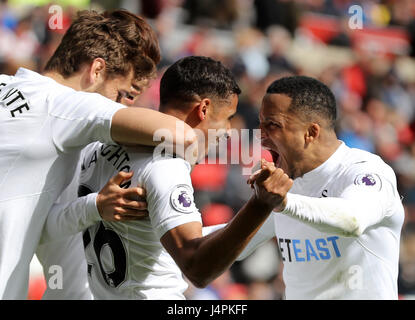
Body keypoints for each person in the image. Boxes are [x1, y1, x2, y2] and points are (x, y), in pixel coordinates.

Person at [40, 56, 293, 299]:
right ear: (204, 108)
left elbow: (158, 239)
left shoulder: (98, 147)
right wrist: (260, 204)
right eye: (227, 118)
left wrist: (276, 218)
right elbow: (197, 267)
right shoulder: (166, 167)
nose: (228, 132)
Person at [0, 9, 197, 300]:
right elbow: (182, 134)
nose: (124, 108)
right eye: (125, 95)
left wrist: (92, 207)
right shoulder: (65, 105)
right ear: (96, 70)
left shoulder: (5, 84)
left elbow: (44, 232)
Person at [238, 75, 405, 299]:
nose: (261, 136)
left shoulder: (365, 171)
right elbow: (232, 243)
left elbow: (352, 220)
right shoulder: (287, 183)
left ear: (311, 132)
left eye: (273, 125)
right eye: (261, 124)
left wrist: (283, 202)